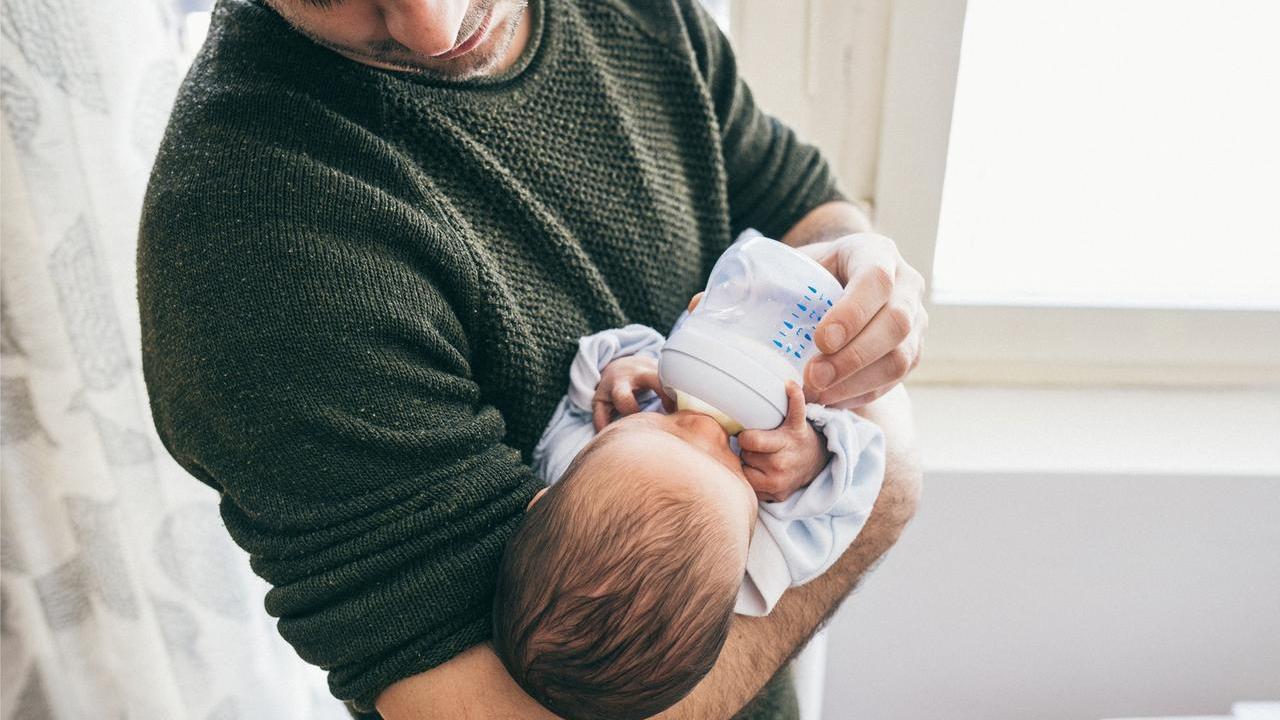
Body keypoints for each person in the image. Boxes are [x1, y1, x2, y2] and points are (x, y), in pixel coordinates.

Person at [136, 0, 928, 717]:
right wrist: (880, 482)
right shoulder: (255, 253)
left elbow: (797, 205)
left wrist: (855, 276)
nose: (434, 31)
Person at [492, 322, 886, 719]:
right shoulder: (765, 562)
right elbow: (860, 480)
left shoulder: (572, 470)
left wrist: (622, 369)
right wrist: (812, 458)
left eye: (662, 432)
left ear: (543, 501)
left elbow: (582, 385)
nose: (705, 427)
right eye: (729, 467)